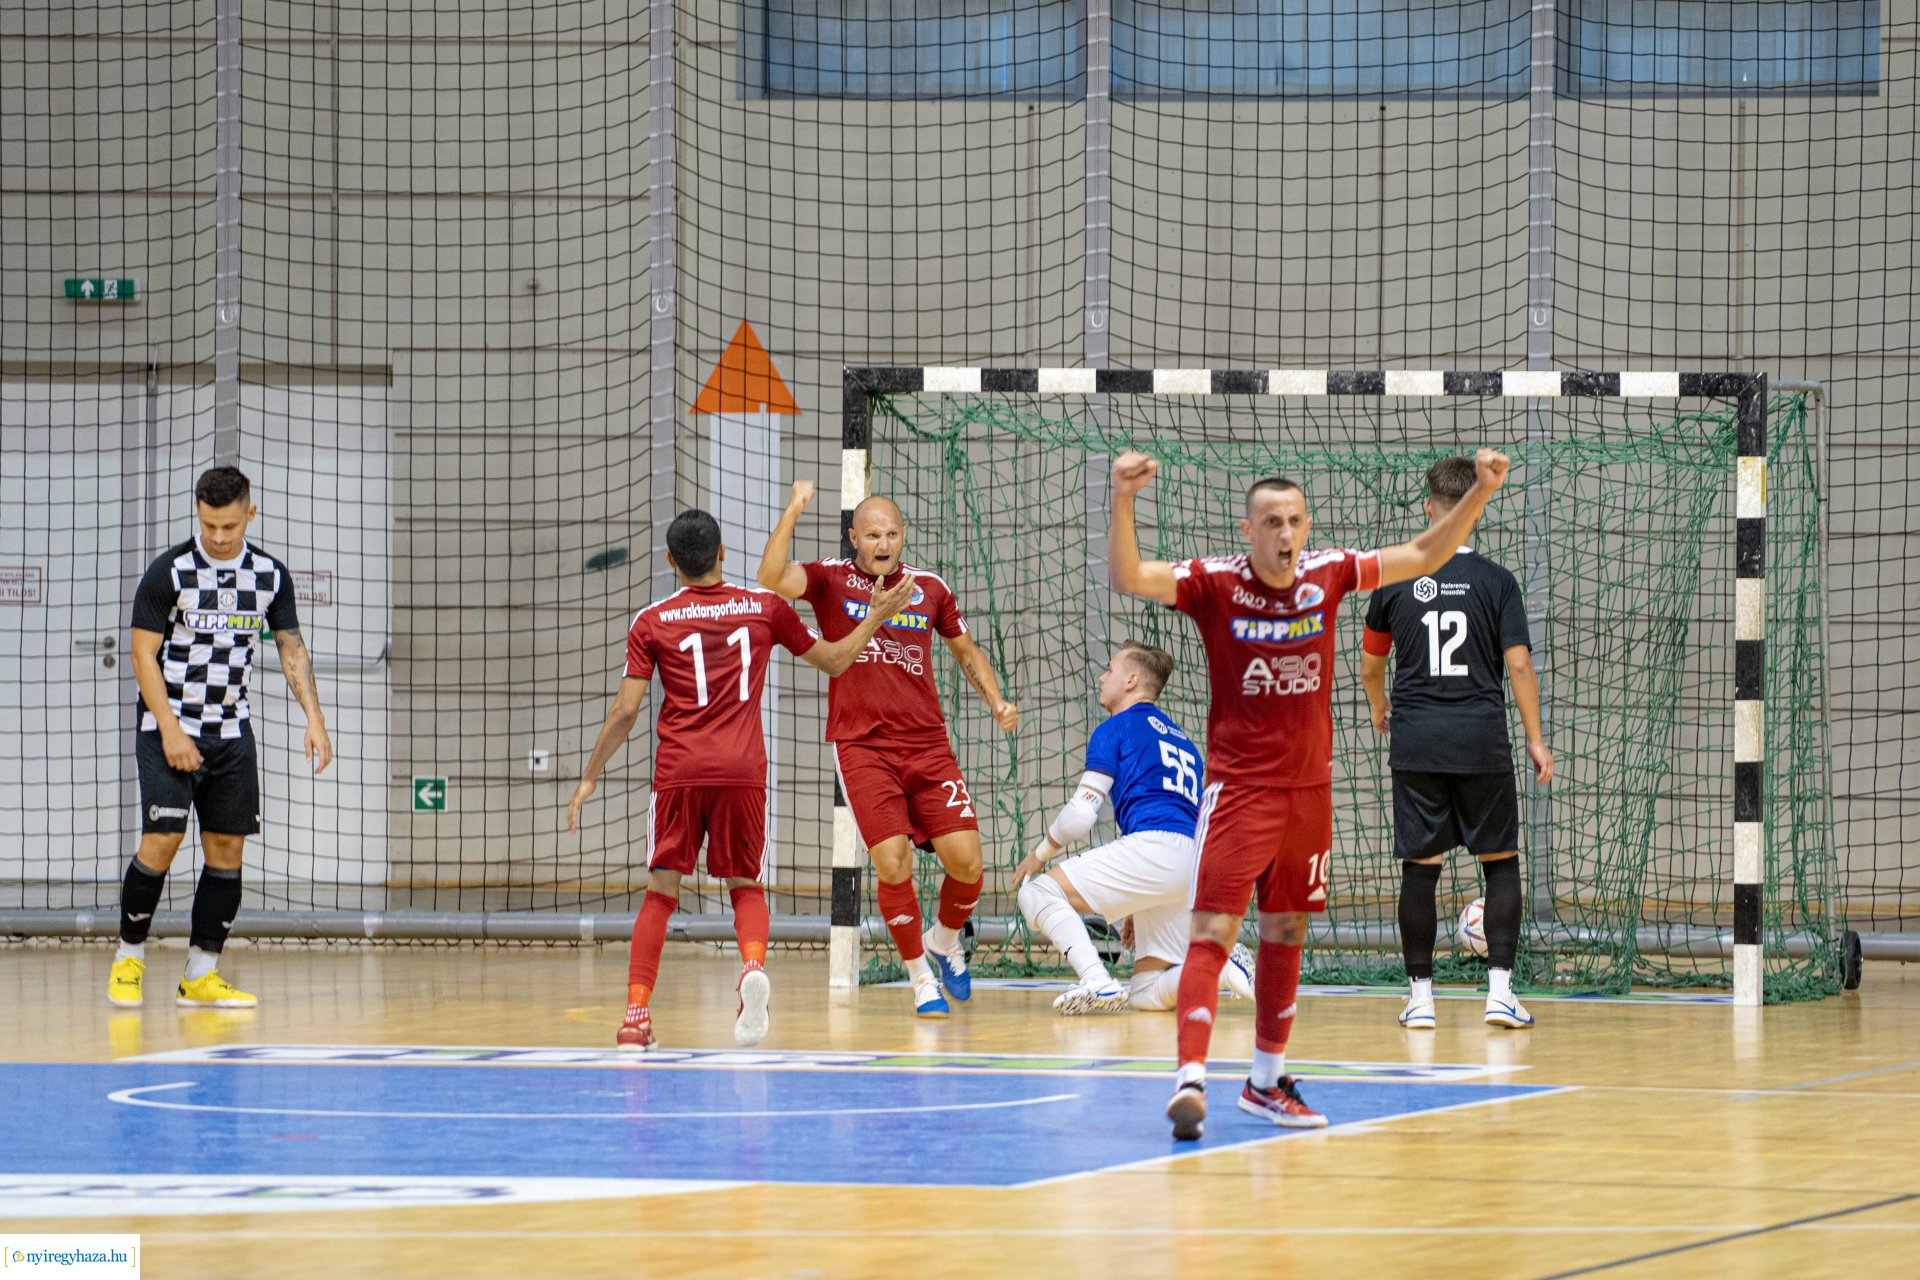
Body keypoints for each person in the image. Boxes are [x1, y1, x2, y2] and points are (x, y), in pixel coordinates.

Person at [1108, 445, 1510, 1141]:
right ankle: (1190, 1078)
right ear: (1248, 530)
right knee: (1212, 933)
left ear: (1307, 524)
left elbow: (1421, 553)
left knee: (1285, 931)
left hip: (1309, 793)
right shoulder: (1213, 584)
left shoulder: (1328, 574)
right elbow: (1130, 575)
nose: (1285, 534)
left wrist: (1479, 493)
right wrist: (1122, 499)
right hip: (1238, 791)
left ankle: (1265, 1083)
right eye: (1271, 522)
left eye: (1294, 520)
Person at [568, 509, 917, 1052]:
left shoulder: (651, 620)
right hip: (743, 772)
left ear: (671, 562)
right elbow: (834, 661)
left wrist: (590, 777)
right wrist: (874, 618)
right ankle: (751, 968)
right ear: (724, 552)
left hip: (679, 772)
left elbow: (625, 712)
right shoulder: (764, 608)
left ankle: (636, 1017)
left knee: (661, 894)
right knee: (746, 887)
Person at [759, 481, 1018, 1018]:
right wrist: (795, 507)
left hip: (927, 743)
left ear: (903, 537)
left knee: (968, 863)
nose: (883, 543)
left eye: (892, 534)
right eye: (872, 534)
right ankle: (920, 977)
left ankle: (944, 939)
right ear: (854, 536)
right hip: (862, 746)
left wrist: (996, 701)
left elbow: (965, 650)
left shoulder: (929, 588)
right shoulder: (831, 579)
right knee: (892, 862)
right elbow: (770, 577)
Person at [109, 465, 333, 1010]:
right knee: (162, 840)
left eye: (229, 526)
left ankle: (200, 974)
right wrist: (169, 731)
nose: (218, 536)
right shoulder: (170, 572)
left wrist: (315, 719)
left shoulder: (270, 576)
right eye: (209, 524)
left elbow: (290, 647)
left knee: (227, 848)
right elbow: (142, 655)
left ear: (249, 514)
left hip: (231, 732)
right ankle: (128, 956)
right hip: (169, 724)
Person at [1360, 456, 1555, 1032]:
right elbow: (1518, 666)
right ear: (1476, 509)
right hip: (1480, 740)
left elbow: (1372, 664)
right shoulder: (1497, 581)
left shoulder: (1391, 579)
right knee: (1500, 862)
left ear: (1428, 508)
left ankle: (1420, 999)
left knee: (1420, 868)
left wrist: (1380, 706)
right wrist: (1536, 740)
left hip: (1416, 740)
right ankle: (1499, 994)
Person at [1011, 642, 1253, 1014]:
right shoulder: (1184, 741)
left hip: (1154, 847)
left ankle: (1096, 980)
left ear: (1132, 679)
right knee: (1147, 991)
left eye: (1110, 669)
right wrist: (1137, 902)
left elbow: (1080, 814)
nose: (1101, 677)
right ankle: (1217, 963)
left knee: (1037, 894)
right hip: (1192, 861)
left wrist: (1039, 854)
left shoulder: (1116, 728)